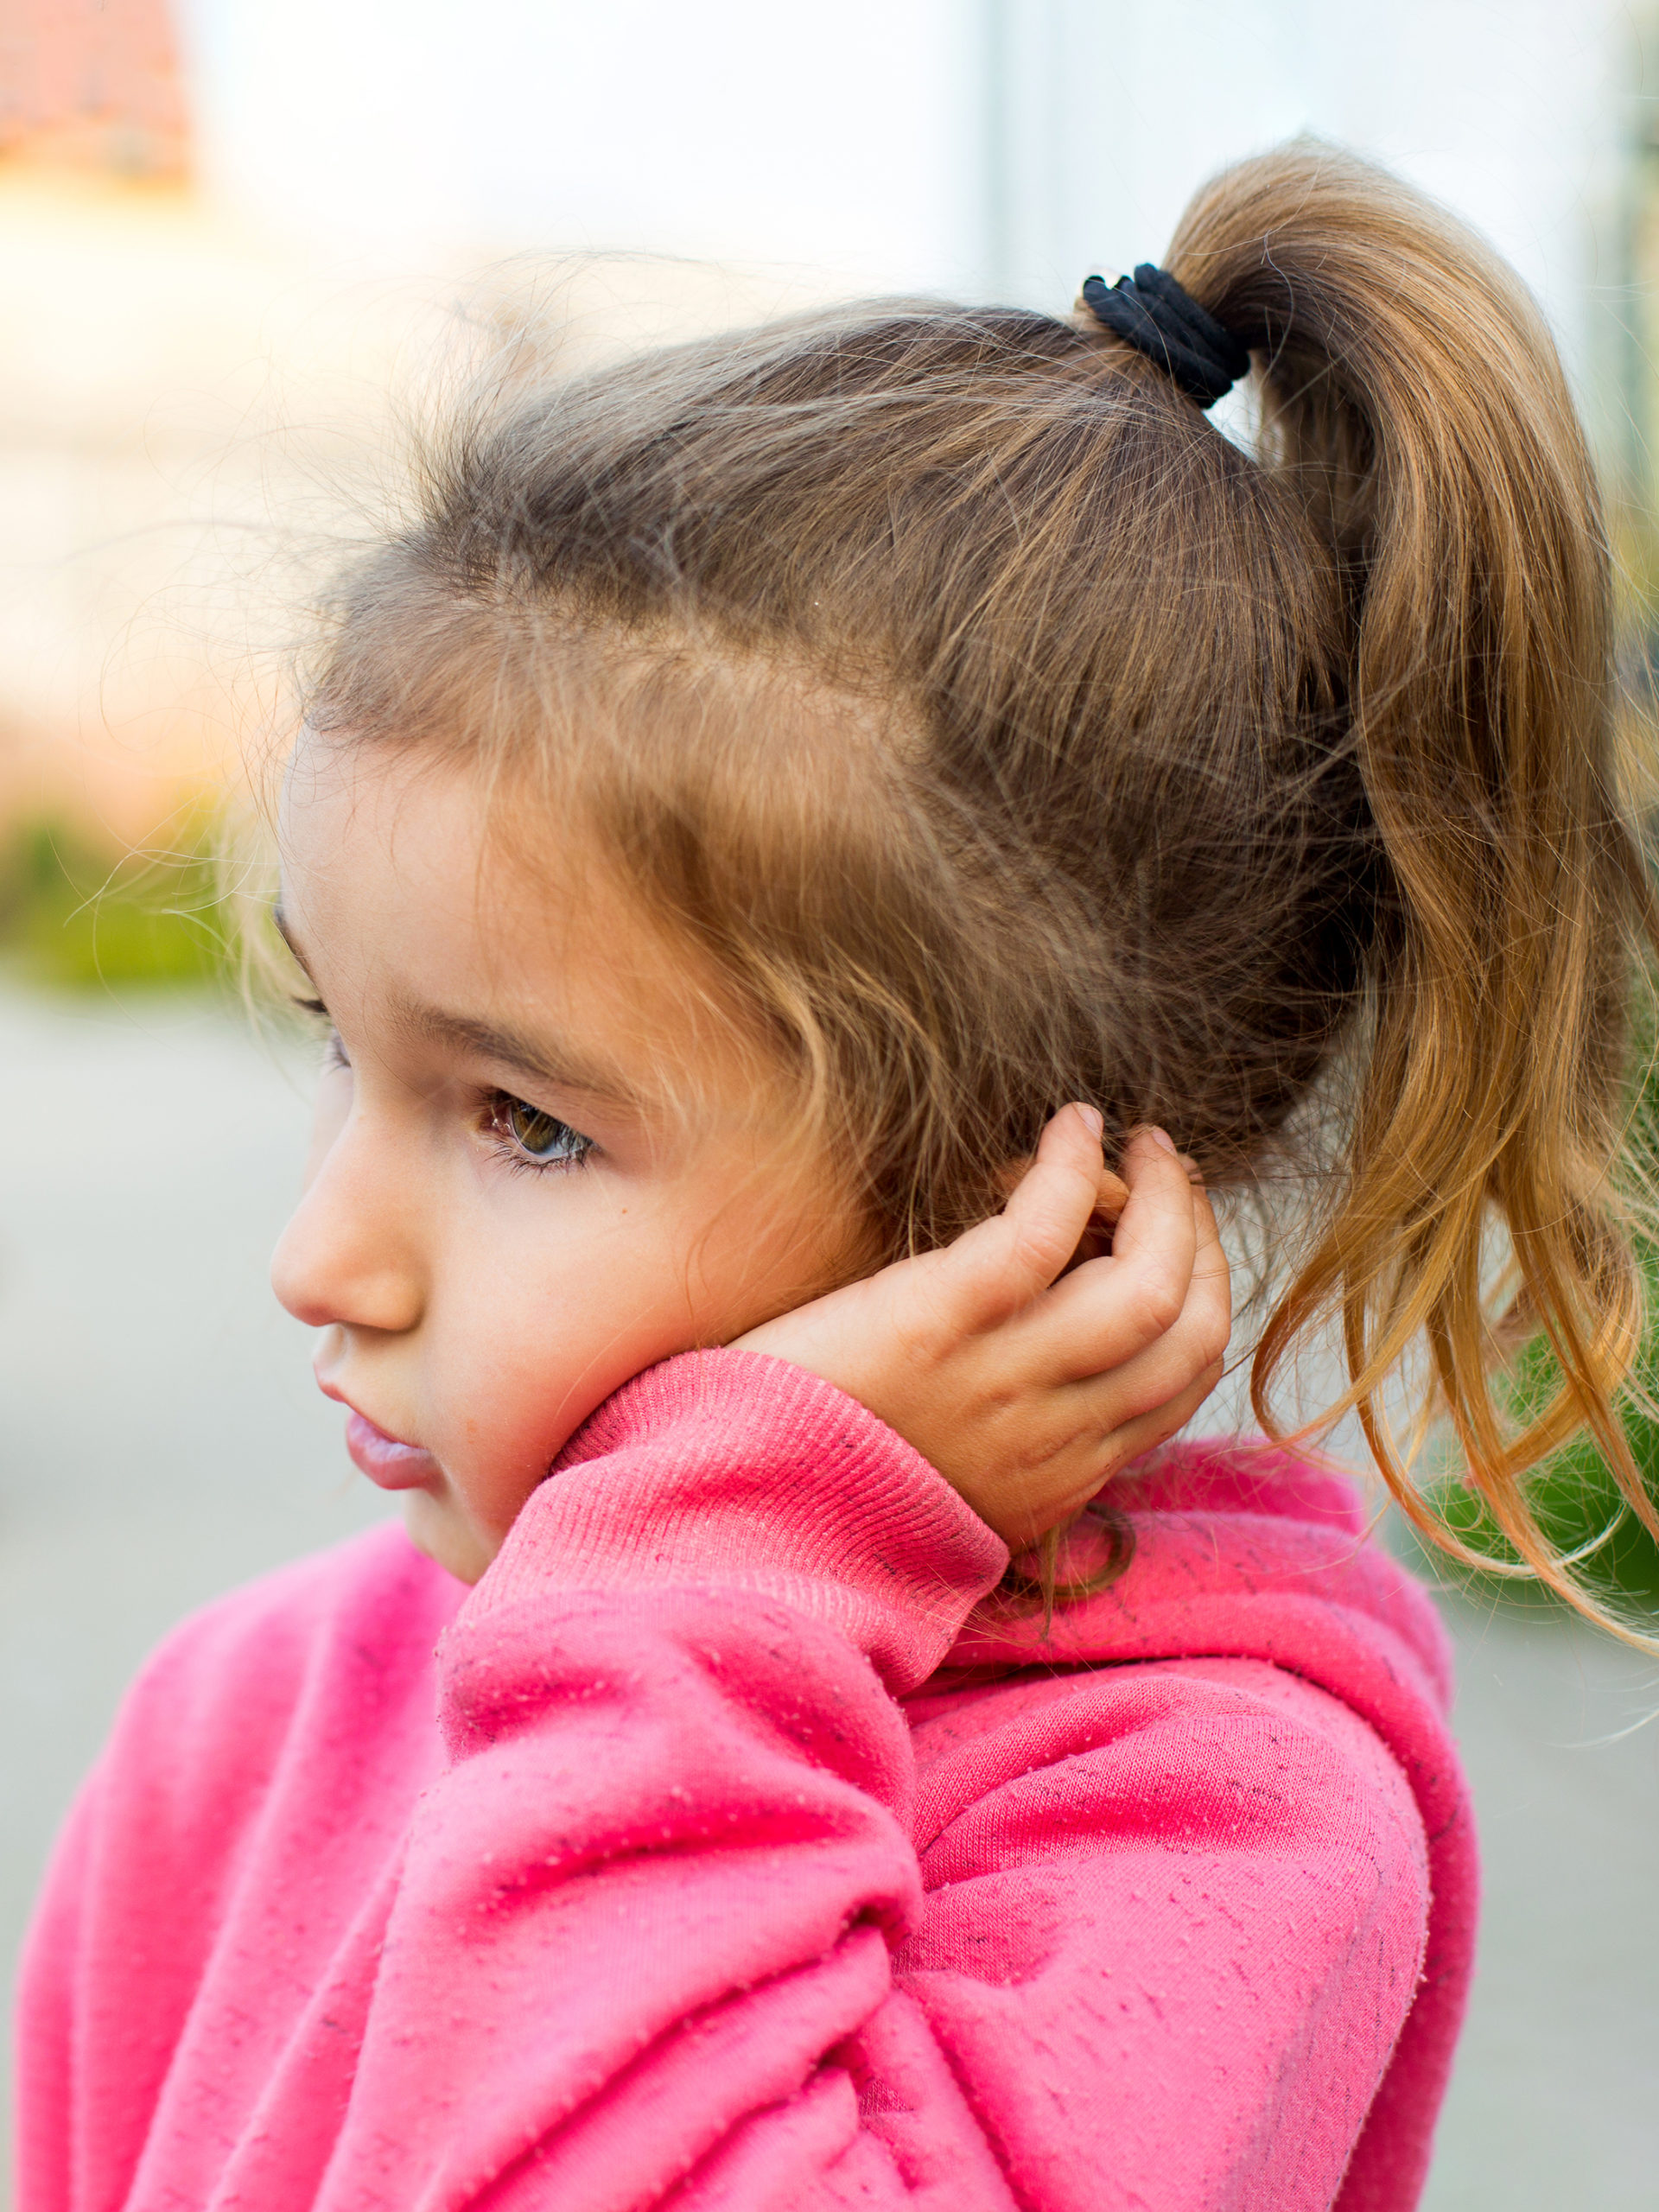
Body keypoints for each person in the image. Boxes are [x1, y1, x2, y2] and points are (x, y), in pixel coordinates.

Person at [16, 141, 1657, 2211]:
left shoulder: (1204, 1826)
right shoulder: (245, 1714)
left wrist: (731, 1562)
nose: (317, 1258)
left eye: (527, 1119)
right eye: (350, 1047)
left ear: (1028, 1223)